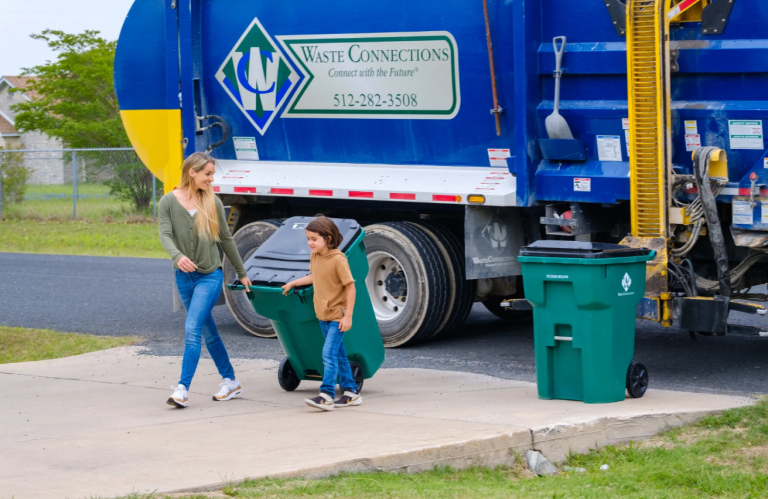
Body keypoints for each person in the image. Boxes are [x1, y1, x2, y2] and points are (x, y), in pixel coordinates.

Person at [158, 152, 253, 408]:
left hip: (209, 277)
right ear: (192, 172)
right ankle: (231, 381)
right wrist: (177, 257)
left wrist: (242, 273)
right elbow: (165, 235)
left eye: (212, 174)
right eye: (207, 174)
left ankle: (182, 389)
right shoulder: (168, 202)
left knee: (192, 329)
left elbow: (226, 240)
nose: (211, 179)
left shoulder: (212, 202)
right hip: (184, 279)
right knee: (209, 333)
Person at [281, 217, 361, 411]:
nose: (310, 243)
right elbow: (314, 276)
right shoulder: (316, 256)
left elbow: (351, 288)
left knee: (328, 354)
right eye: (308, 238)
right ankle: (351, 392)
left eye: (314, 239)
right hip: (322, 315)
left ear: (329, 238)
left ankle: (326, 394)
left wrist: (348, 316)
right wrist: (294, 282)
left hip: (337, 316)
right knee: (339, 354)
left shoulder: (338, 260)